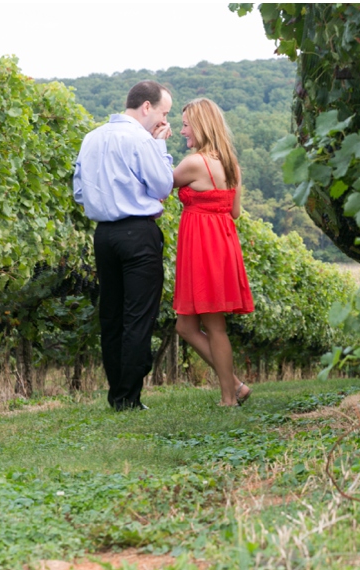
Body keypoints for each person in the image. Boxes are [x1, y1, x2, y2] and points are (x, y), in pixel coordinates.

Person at [73, 80, 175, 411]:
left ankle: (117, 393)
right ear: (147, 107)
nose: (164, 120)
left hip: (103, 235)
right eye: (164, 112)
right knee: (138, 316)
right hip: (137, 232)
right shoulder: (141, 139)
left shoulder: (91, 138)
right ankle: (128, 397)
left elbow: (78, 193)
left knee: (112, 315)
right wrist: (160, 147)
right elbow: (163, 185)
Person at [172, 98, 254, 407]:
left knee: (214, 327)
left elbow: (158, 185)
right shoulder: (232, 164)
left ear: (202, 126)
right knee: (186, 326)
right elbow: (234, 212)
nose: (182, 132)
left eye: (185, 125)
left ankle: (228, 398)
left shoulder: (194, 163)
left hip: (202, 246)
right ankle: (235, 386)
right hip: (222, 242)